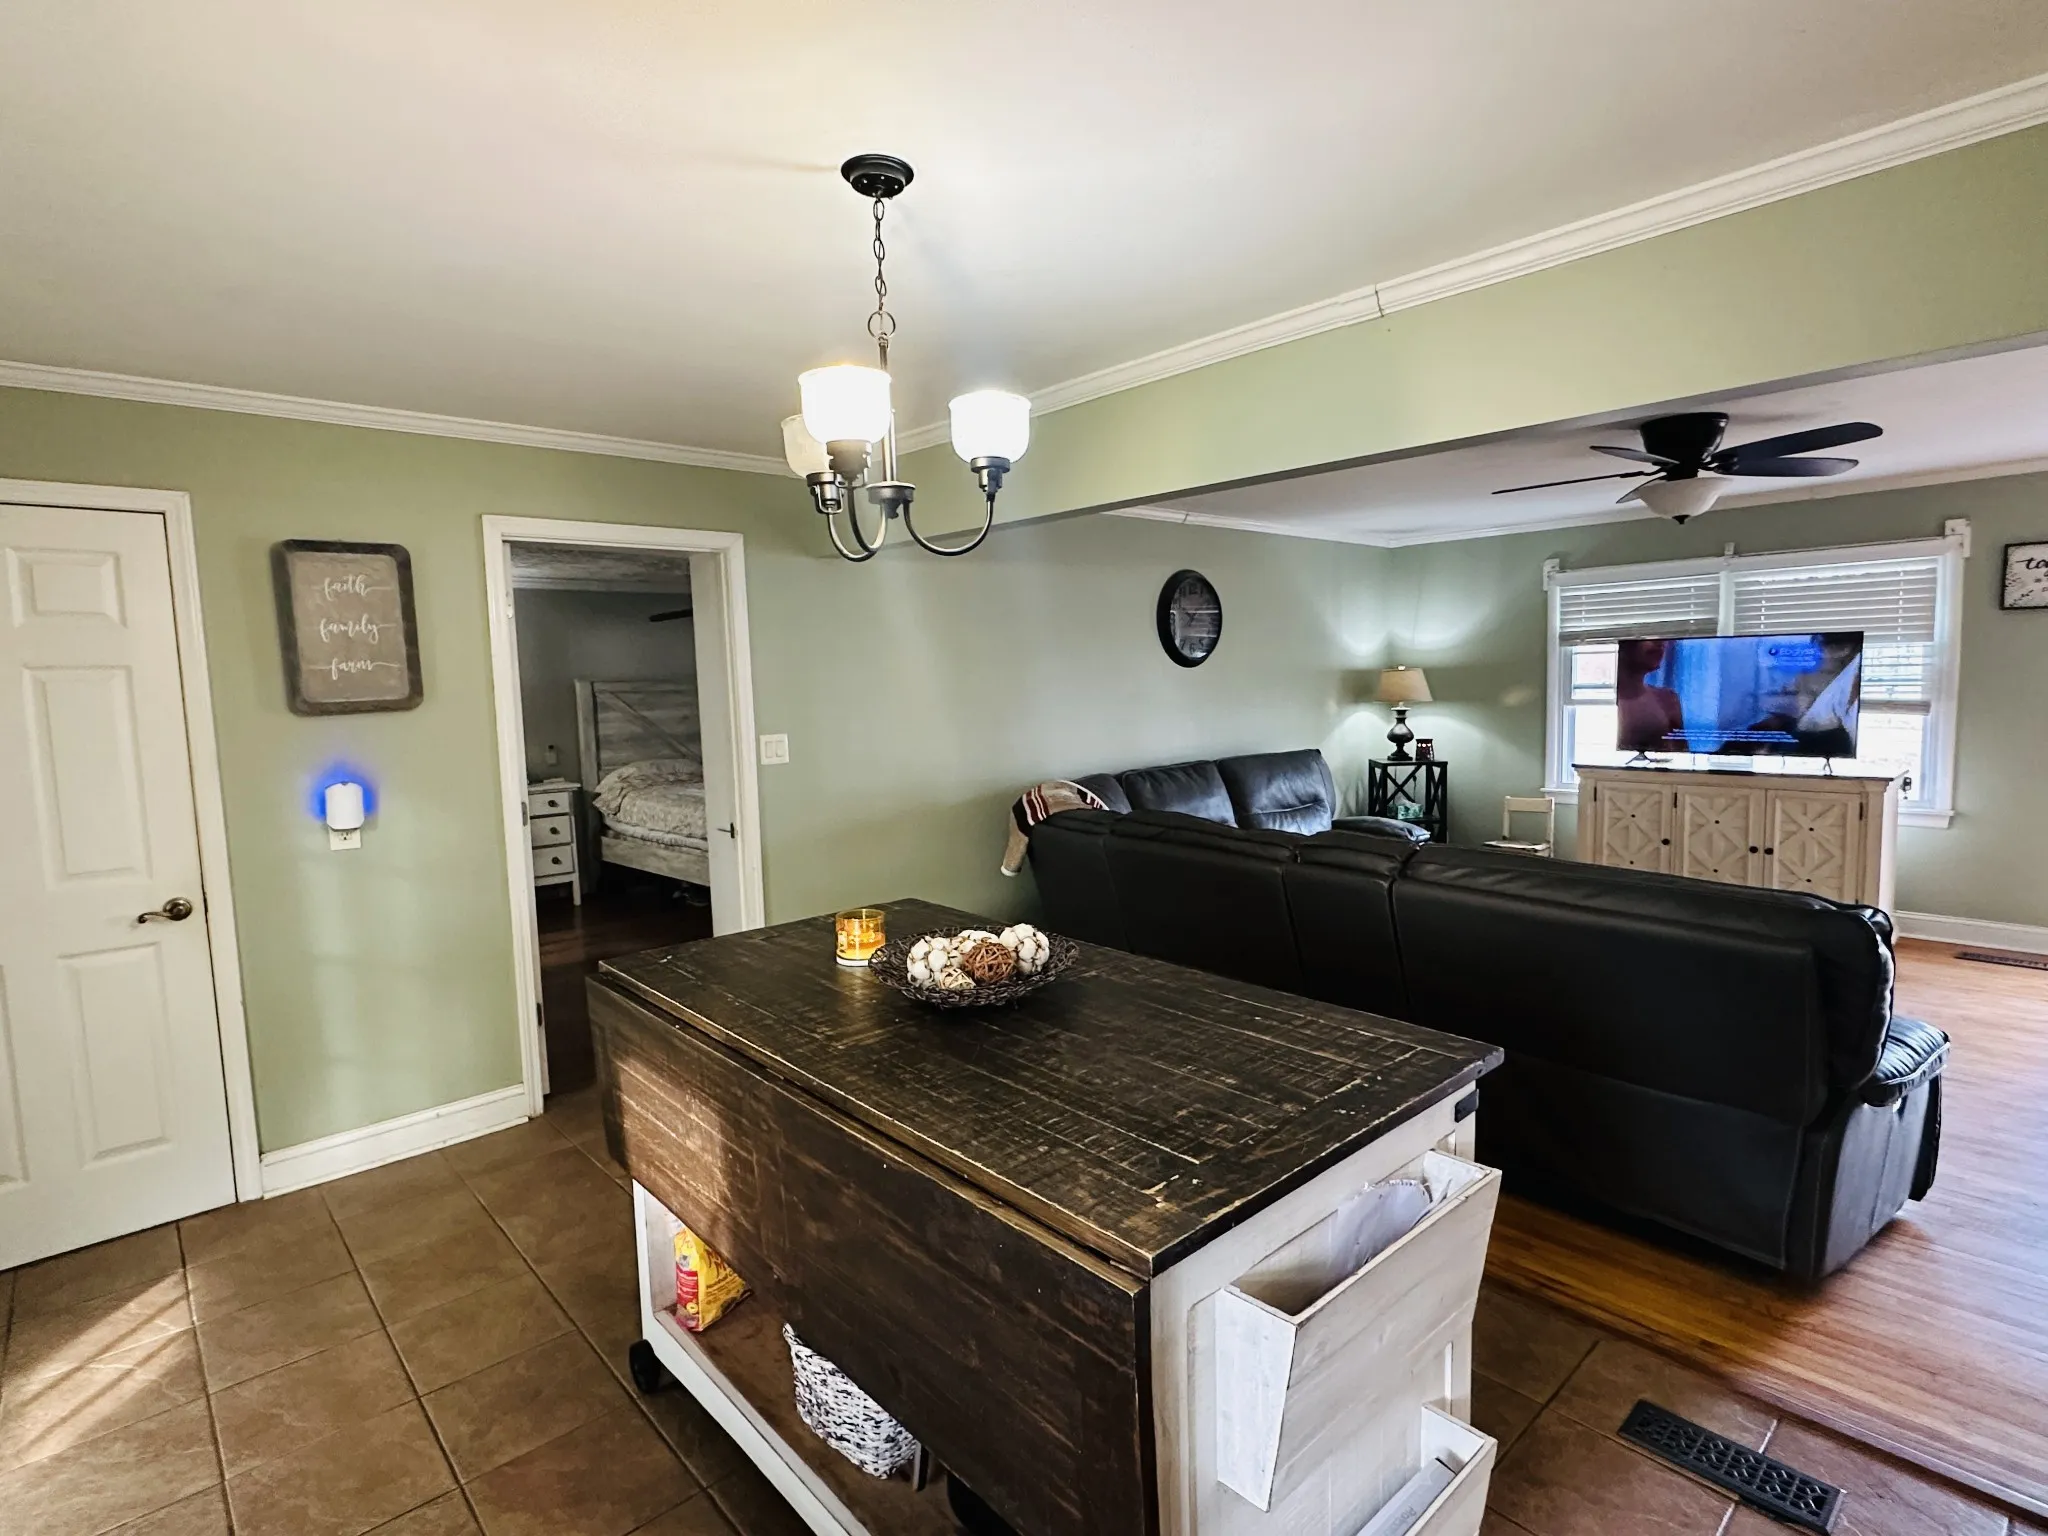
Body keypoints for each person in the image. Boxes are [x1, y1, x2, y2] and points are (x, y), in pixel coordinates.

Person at [1616, 639, 1686, 750]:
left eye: (1662, 638)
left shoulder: (1667, 699)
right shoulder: (1595, 701)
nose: (1661, 643)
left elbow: (1682, 754)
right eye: (1649, 637)